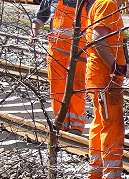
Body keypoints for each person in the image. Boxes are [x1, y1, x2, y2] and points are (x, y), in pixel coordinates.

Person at [85, 0, 129, 179]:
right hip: (105, 78)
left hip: (104, 76)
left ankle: (96, 178)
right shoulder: (108, 3)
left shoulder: (108, 3)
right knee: (113, 126)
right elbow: (98, 40)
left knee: (100, 124)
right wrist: (117, 68)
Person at [32, 0, 88, 134]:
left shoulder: (89, 1)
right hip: (56, 51)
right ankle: (59, 122)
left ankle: (76, 126)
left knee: (78, 87)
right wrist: (34, 32)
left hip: (79, 52)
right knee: (57, 87)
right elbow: (40, 17)